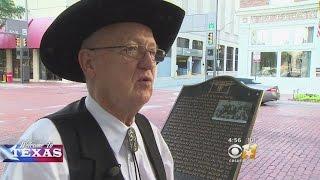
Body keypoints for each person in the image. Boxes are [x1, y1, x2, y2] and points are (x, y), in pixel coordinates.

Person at [1, 0, 184, 179]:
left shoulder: (152, 135)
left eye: (153, 53)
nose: (148, 64)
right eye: (131, 49)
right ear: (89, 63)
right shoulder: (39, 143)